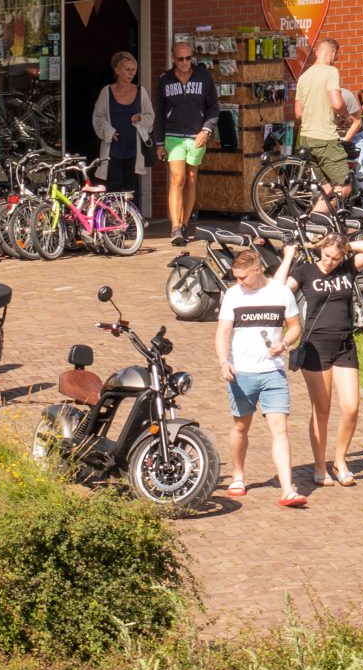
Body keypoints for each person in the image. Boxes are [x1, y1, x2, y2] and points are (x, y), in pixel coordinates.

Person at [289, 222, 363, 486]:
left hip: (345, 344)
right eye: (326, 255)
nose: (329, 262)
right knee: (322, 409)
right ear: (319, 250)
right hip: (316, 346)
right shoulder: (306, 270)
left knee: (351, 407)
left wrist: (344, 245)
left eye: (335, 257)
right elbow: (284, 288)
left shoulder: (348, 268)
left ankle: (339, 460)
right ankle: (319, 466)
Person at [216, 244, 306, 506]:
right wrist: (224, 361)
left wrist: (285, 344)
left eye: (243, 276)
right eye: (236, 277)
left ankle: (288, 488)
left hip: (273, 373)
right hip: (241, 372)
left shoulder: (280, 293)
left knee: (280, 430)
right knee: (241, 427)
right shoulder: (233, 295)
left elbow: (294, 327)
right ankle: (238, 476)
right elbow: (222, 333)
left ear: (258, 269)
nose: (239, 281)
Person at [157, 41, 220, 242]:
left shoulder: (203, 77)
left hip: (197, 135)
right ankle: (175, 227)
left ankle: (184, 224)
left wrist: (206, 129)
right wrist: (159, 142)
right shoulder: (164, 80)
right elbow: (159, 112)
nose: (185, 63)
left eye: (188, 58)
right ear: (173, 59)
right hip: (173, 135)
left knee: (191, 179)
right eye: (181, 59)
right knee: (178, 178)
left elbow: (213, 107)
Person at [294, 38, 363, 208]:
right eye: (337, 56)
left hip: (306, 139)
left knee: (327, 188)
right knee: (345, 186)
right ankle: (314, 221)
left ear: (317, 52)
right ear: (333, 54)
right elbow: (337, 103)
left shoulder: (303, 77)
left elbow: (298, 114)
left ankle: (314, 231)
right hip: (325, 139)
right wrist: (343, 115)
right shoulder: (331, 72)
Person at [91, 51, 151, 205]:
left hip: (133, 148)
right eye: (127, 69)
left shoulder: (140, 91)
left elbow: (150, 116)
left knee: (132, 188)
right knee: (114, 187)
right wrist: (108, 131)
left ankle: (132, 224)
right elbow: (98, 118)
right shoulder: (106, 92)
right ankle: (114, 222)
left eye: (133, 70)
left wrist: (140, 118)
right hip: (113, 149)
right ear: (117, 70)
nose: (131, 73)